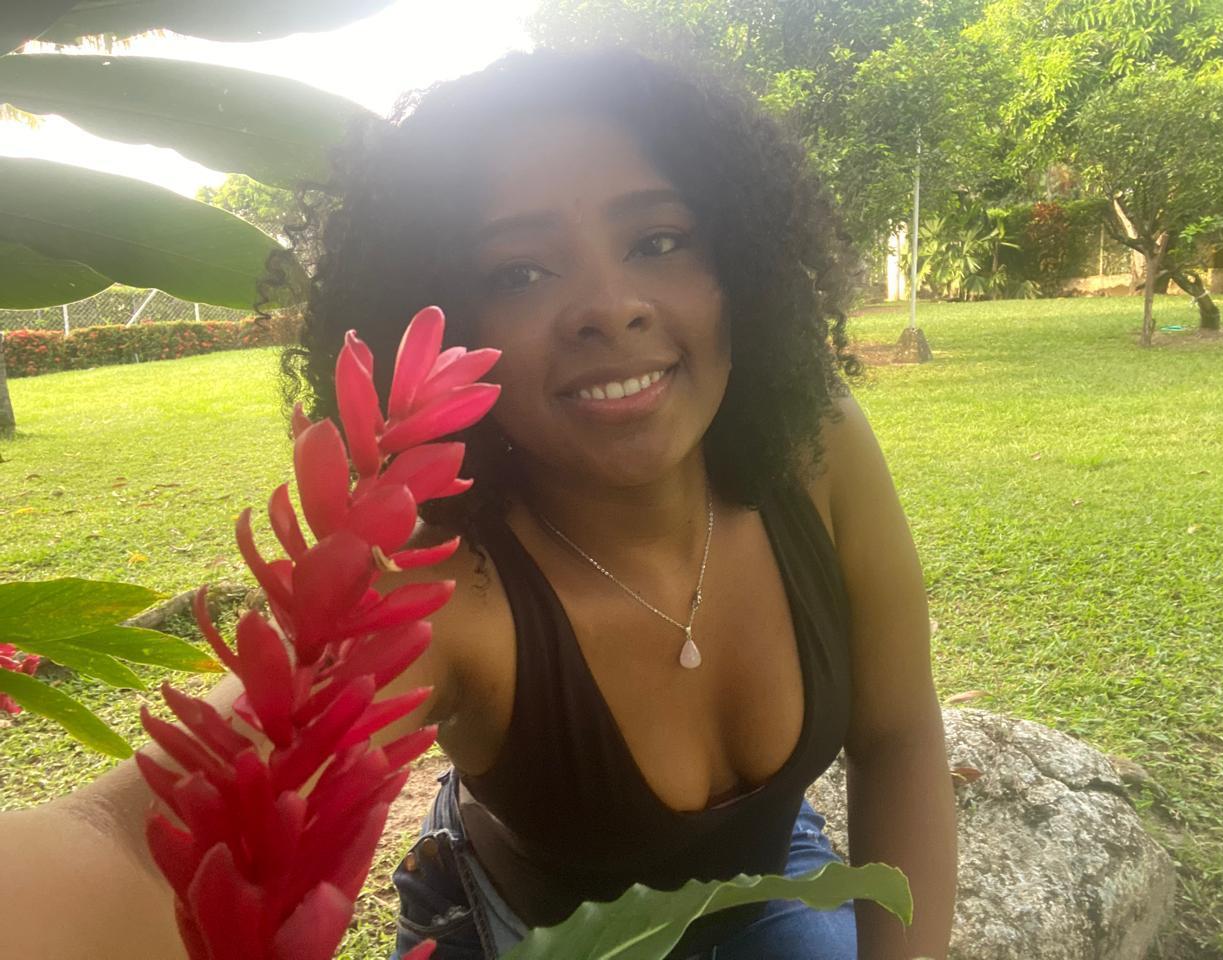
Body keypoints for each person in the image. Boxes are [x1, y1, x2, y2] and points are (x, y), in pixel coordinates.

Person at [0, 50, 955, 960]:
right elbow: (141, 834)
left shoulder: (816, 448)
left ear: (737, 266)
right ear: (451, 319)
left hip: (773, 878)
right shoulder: (450, 595)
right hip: (512, 925)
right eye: (521, 272)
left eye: (659, 241)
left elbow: (899, 733)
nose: (610, 305)